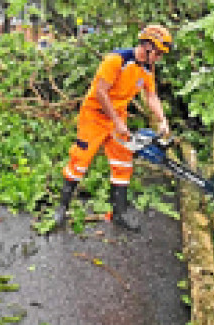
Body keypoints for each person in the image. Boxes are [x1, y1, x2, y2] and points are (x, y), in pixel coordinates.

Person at [54, 24, 173, 232]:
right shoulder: (116, 60)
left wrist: (162, 119)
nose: (159, 58)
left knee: (123, 162)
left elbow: (151, 95)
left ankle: (118, 214)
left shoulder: (147, 69)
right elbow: (101, 92)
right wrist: (117, 121)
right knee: (80, 160)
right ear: (146, 46)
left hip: (118, 117)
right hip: (94, 115)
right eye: (158, 53)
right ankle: (61, 209)